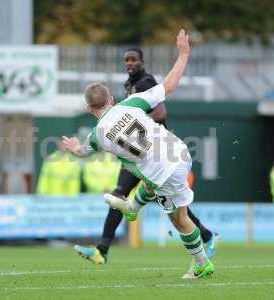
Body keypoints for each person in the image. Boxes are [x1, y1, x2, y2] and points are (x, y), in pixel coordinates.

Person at [63, 29, 214, 278]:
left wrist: (73, 148)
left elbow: (82, 152)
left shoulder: (97, 135)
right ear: (111, 98)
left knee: (180, 220)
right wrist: (184, 54)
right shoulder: (131, 103)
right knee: (146, 178)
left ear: (89, 109)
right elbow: (170, 85)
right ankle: (133, 205)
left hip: (163, 173)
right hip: (179, 152)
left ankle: (201, 264)